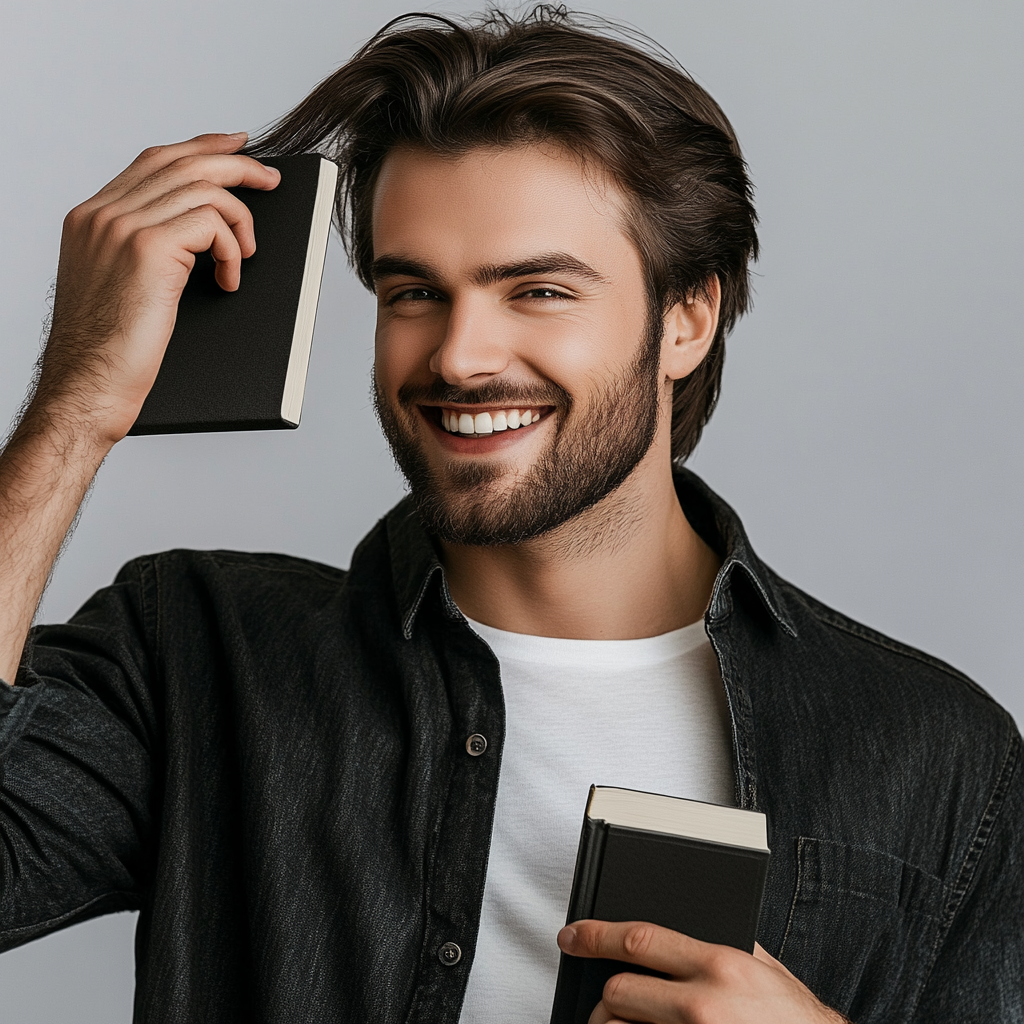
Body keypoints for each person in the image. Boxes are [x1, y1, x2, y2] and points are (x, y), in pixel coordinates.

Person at [0, 8, 1020, 1023]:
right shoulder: (196, 653)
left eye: (535, 289)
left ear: (687, 318)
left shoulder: (935, 753)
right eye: (413, 292)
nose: (458, 355)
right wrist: (76, 406)